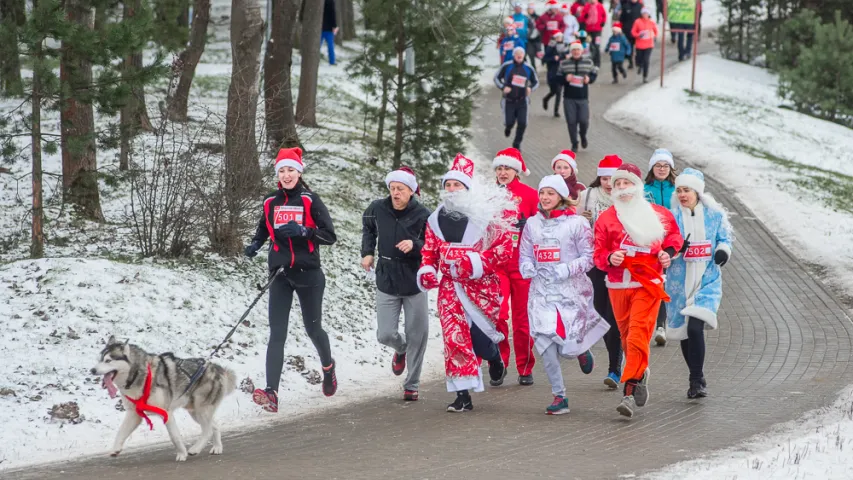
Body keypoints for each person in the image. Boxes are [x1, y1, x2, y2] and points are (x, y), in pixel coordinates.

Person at [417, 153, 514, 412]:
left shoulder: (487, 218)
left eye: (456, 185)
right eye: (447, 185)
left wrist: (475, 263)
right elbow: (429, 250)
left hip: (480, 288)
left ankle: (494, 357)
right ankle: (463, 395)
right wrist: (427, 269)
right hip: (450, 286)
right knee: (453, 337)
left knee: (478, 339)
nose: (451, 189)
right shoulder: (434, 220)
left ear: (467, 188)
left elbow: (504, 250)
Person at [246, 147, 339, 413]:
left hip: (308, 274)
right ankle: (272, 393)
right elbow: (264, 228)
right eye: (282, 170)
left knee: (313, 329)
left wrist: (304, 231)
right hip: (280, 275)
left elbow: (329, 236)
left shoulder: (310, 200)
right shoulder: (270, 202)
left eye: (291, 170)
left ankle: (328, 368)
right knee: (277, 334)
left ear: (299, 172)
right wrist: (254, 245)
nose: (286, 175)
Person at [593, 163, 683, 418]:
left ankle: (629, 392)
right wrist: (611, 258)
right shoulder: (606, 218)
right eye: (618, 183)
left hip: (649, 284)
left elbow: (674, 238)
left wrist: (668, 254)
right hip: (618, 285)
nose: (621, 188)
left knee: (637, 335)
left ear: (637, 186)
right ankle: (641, 370)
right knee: (626, 337)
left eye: (627, 183)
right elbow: (598, 254)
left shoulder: (659, 213)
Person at [519, 175, 610, 415]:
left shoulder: (577, 223)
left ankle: (579, 350)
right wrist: (526, 267)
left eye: (550, 193)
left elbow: (589, 258)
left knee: (566, 347)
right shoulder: (532, 224)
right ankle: (559, 396)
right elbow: (525, 254)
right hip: (541, 292)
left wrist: (565, 269)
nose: (545, 198)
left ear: (560, 196)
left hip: (571, 292)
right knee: (546, 344)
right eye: (542, 193)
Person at [360, 167, 431, 402]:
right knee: (385, 334)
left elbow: (432, 242)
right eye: (392, 189)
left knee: (417, 335)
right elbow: (368, 228)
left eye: (400, 189)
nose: (395, 193)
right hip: (387, 277)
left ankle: (412, 384)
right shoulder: (377, 208)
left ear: (411, 191)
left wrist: (415, 245)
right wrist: (367, 252)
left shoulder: (423, 214)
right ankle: (400, 349)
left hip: (414, 280)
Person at [666, 169, 733, 399]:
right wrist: (675, 249)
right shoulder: (671, 217)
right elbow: (664, 244)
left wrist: (722, 252)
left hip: (707, 281)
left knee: (695, 327)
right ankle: (694, 378)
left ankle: (697, 379)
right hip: (679, 283)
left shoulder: (715, 215)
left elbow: (724, 238)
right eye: (679, 190)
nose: (683, 194)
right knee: (685, 332)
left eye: (687, 190)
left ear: (697, 192)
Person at [491, 147, 539, 386]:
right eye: (499, 168)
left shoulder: (530, 195)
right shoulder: (488, 195)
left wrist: (528, 223)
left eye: (507, 168)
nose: (502, 172)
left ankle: (525, 366)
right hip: (497, 265)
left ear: (516, 170)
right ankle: (498, 363)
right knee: (498, 314)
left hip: (522, 265)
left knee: (522, 319)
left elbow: (543, 227)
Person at [579, 155, 624, 389]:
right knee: (601, 313)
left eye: (612, 178)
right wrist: (580, 218)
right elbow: (574, 225)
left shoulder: (626, 197)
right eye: (604, 178)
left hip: (620, 264)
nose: (608, 183)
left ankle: (614, 368)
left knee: (614, 315)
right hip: (596, 263)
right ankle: (615, 359)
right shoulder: (588, 195)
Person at [644, 148, 677, 346]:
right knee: (659, 282)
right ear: (652, 168)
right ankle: (660, 326)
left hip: (676, 243)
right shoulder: (644, 189)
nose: (662, 169)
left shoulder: (678, 188)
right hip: (653, 243)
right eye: (658, 165)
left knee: (673, 283)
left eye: (666, 166)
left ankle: (673, 321)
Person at [494, 47, 539, 151]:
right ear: (514, 55)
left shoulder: (528, 68)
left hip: (523, 100)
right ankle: (508, 127)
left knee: (523, 123)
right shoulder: (507, 66)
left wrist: (530, 88)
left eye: (521, 54)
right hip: (508, 100)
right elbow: (496, 78)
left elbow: (536, 81)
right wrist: (503, 87)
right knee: (509, 121)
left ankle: (517, 143)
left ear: (524, 55)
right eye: (517, 53)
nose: (519, 55)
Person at [559, 41, 598, 152]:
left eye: (578, 50)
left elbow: (594, 74)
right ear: (571, 51)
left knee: (584, 121)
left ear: (582, 51)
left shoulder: (588, 62)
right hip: (569, 97)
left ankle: (583, 135)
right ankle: (574, 143)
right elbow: (556, 78)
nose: (576, 52)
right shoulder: (564, 63)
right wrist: (565, 78)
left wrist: (589, 79)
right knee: (571, 121)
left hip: (583, 97)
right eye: (574, 50)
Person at [542, 31, 569, 118]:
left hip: (561, 73)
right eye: (557, 37)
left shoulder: (566, 46)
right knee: (553, 91)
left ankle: (556, 111)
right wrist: (553, 58)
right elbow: (545, 58)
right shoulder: (551, 46)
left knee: (559, 92)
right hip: (552, 72)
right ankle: (545, 99)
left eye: (560, 37)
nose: (559, 39)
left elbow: (568, 57)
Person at [631, 7, 658, 83]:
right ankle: (640, 66)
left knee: (646, 60)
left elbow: (655, 31)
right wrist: (638, 35)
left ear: (648, 14)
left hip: (649, 45)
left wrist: (654, 36)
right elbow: (633, 32)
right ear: (641, 14)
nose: (645, 15)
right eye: (643, 13)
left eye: (646, 13)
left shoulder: (651, 22)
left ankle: (645, 77)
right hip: (639, 45)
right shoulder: (637, 22)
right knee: (639, 59)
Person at [579, 0, 607, 67]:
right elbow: (582, 17)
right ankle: (590, 61)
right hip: (589, 29)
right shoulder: (587, 6)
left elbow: (604, 15)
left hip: (597, 30)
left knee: (597, 46)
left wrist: (603, 22)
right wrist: (585, 16)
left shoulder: (600, 6)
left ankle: (597, 63)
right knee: (589, 46)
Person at [618, 0, 643, 69]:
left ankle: (638, 61)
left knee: (639, 48)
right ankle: (630, 62)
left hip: (638, 31)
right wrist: (622, 29)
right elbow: (621, 19)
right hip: (628, 31)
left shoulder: (640, 6)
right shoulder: (626, 6)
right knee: (629, 48)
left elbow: (644, 18)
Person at [321, 0, 338, 66]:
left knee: (317, 46)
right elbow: (333, 14)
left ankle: (313, 61)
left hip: (320, 27)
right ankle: (332, 61)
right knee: (330, 46)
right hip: (329, 28)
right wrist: (334, 26)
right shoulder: (331, 2)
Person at [526, 2, 543, 69]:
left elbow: (542, 26)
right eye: (529, 9)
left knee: (539, 54)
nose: (530, 10)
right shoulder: (526, 18)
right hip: (529, 39)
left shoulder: (538, 17)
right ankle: (534, 69)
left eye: (531, 9)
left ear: (534, 9)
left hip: (537, 39)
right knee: (531, 54)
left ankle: (543, 64)